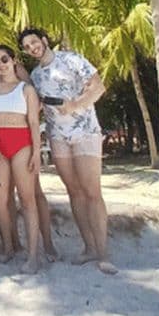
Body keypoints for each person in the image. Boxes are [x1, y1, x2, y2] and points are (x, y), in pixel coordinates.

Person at [19, 27, 117, 275]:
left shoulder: (71, 58)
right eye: (27, 47)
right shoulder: (35, 75)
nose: (32, 48)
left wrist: (75, 105)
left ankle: (103, 253)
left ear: (43, 40)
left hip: (85, 130)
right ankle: (89, 247)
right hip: (57, 136)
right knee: (74, 192)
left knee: (92, 191)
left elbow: (98, 87)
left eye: (34, 42)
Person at [0, 45, 42, 273]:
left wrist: (37, 152)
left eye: (4, 59)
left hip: (22, 144)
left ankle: (32, 255)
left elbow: (34, 122)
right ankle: (9, 248)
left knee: (27, 200)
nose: (1, 64)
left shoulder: (26, 89)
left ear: (14, 59)